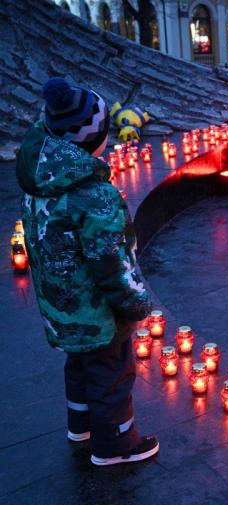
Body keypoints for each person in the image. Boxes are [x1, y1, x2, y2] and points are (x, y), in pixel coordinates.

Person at [16, 78, 158, 466]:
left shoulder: (40, 179)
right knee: (111, 372)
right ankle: (116, 446)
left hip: (59, 304)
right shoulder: (94, 195)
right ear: (92, 139)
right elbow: (111, 262)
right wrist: (135, 303)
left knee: (78, 363)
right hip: (97, 311)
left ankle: (80, 425)